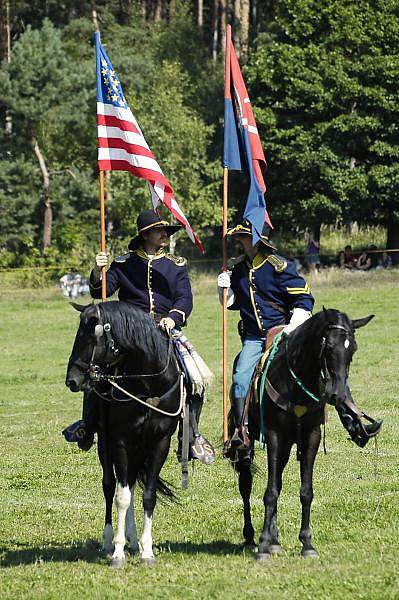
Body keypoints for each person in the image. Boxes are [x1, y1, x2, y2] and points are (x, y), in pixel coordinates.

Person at [218, 220, 382, 461]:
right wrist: (224, 289)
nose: (239, 240)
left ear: (257, 239)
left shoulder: (279, 266)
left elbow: (304, 299)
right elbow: (234, 304)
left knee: (326, 370)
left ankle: (354, 422)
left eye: (244, 236)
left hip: (284, 331)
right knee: (241, 376)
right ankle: (240, 433)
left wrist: (293, 326)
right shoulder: (238, 269)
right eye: (239, 236)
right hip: (254, 338)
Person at [63, 209, 214, 465]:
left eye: (165, 230)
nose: (164, 234)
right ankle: (88, 425)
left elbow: (184, 298)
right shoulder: (124, 263)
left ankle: (191, 436)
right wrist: (99, 271)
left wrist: (174, 317)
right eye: (159, 230)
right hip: (128, 334)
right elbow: (103, 290)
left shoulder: (176, 265)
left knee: (196, 377)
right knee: (98, 371)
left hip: (164, 329)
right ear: (145, 235)